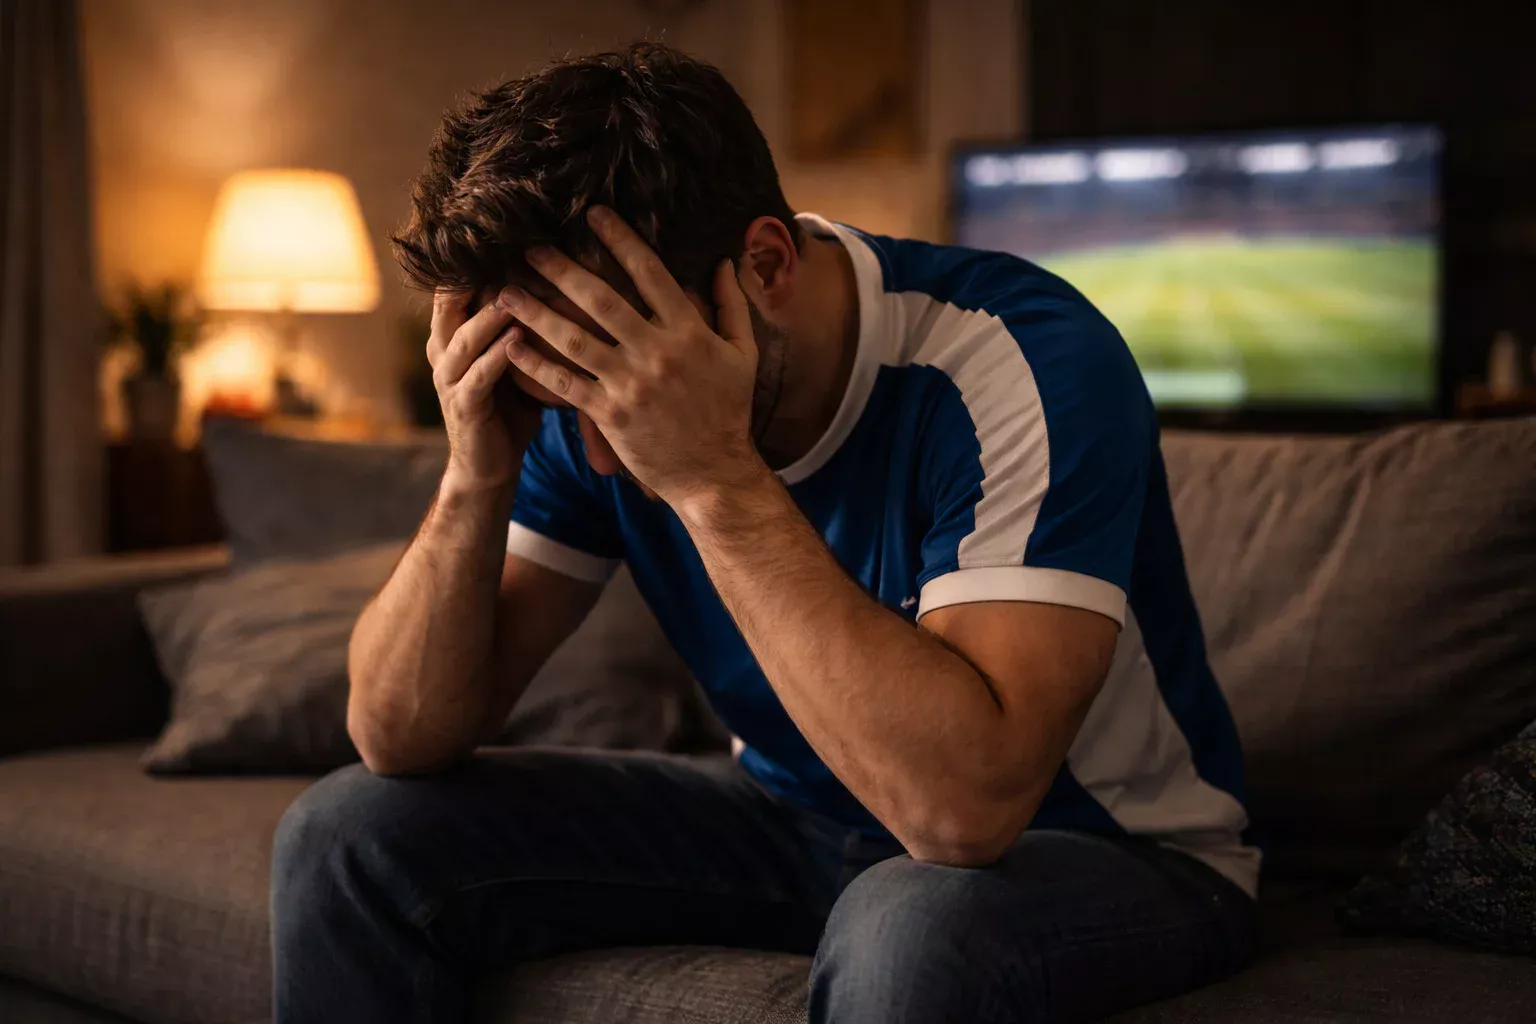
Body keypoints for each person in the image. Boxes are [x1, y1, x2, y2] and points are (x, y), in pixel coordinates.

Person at [270, 42, 1259, 1024]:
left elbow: (964, 814)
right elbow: (399, 733)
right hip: (793, 819)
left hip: (1112, 850)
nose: (598, 456)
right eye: (561, 392)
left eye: (615, 388)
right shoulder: (583, 405)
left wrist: (711, 478)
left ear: (766, 265)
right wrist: (476, 473)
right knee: (349, 832)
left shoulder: (1021, 361)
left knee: (914, 921)